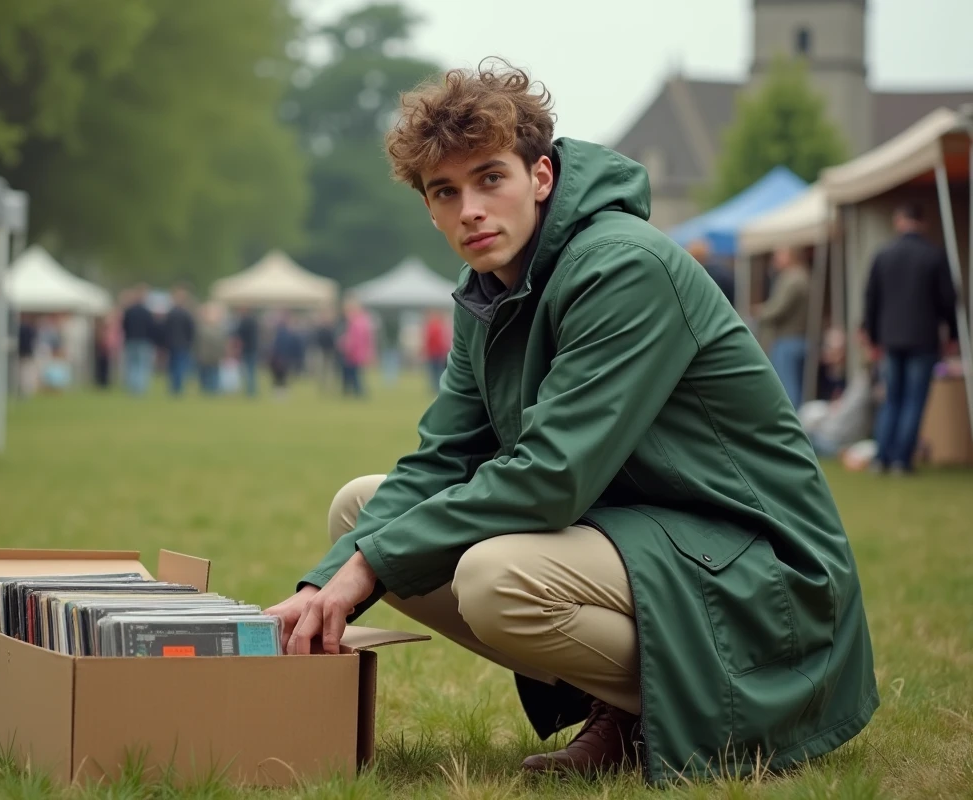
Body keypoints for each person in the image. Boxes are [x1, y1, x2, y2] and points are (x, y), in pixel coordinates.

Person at [264, 62, 877, 784]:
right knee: (360, 511)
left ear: (542, 177)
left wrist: (369, 567)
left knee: (495, 580)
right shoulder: (488, 289)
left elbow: (552, 476)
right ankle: (623, 709)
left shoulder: (621, 267)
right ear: (428, 207)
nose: (471, 210)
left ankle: (706, 705)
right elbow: (442, 460)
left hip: (763, 572)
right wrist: (325, 584)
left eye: (491, 178)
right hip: (641, 537)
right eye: (445, 191)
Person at [862, 202, 959, 474]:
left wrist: (872, 336)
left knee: (891, 398)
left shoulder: (884, 254)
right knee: (914, 400)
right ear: (922, 222)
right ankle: (901, 461)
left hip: (890, 339)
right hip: (923, 338)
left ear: (898, 221)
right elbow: (948, 300)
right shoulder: (934, 255)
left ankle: (881, 457)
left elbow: (871, 297)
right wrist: (951, 334)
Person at [758, 247, 811, 409]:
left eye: (779, 254)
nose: (775, 258)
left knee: (787, 389)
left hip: (788, 339)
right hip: (796, 338)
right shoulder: (802, 275)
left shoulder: (792, 278)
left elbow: (778, 309)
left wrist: (759, 312)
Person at [120, 286, 156, 395]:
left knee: (132, 365)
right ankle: (139, 389)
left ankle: (132, 388)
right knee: (142, 366)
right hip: (143, 341)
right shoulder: (147, 312)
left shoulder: (129, 311)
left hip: (131, 340)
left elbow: (124, 325)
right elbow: (152, 327)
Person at [162, 286, 197, 396]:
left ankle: (175, 387)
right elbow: (191, 330)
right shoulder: (186, 314)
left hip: (173, 344)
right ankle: (178, 388)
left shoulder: (171, 313)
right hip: (182, 344)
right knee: (180, 366)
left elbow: (165, 329)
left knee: (173, 366)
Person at [337, 299, 373, 397]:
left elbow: (353, 339)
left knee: (354, 374)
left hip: (354, 352)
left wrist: (346, 346)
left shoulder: (356, 323)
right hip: (358, 352)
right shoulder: (363, 321)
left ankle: (359, 391)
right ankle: (357, 391)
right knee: (356, 373)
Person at [422, 309, 452, 392]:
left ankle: (436, 387)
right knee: (437, 372)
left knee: (435, 372)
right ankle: (437, 387)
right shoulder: (438, 326)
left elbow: (430, 340)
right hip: (436, 353)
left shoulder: (434, 327)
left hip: (435, 353)